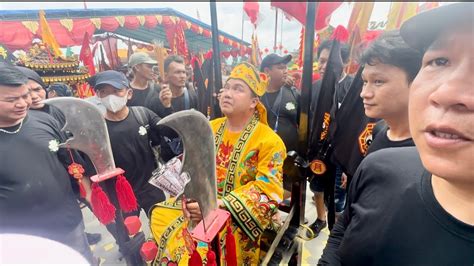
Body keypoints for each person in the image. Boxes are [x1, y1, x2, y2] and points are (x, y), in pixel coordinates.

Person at [319, 3, 473, 265]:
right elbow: (343, 230)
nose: (447, 93)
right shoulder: (381, 164)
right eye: (439, 61)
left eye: (379, 81)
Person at [150, 62, 286, 265]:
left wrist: (217, 205)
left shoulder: (269, 141)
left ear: (253, 102)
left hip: (237, 219)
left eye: (238, 89)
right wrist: (189, 200)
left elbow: (268, 191)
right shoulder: (209, 128)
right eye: (226, 88)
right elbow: (191, 168)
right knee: (160, 215)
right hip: (199, 206)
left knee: (204, 254)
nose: (227, 94)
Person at [0, 63, 94, 263]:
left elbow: (73, 165)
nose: (23, 103)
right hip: (22, 239)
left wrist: (93, 198)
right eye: (11, 99)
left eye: (25, 95)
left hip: (69, 223)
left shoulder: (45, 121)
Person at [89, 70, 165, 215]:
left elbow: (166, 132)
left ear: (129, 93)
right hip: (121, 194)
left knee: (163, 228)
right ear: (97, 96)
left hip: (151, 188)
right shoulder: (97, 128)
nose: (110, 96)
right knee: (132, 235)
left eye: (117, 91)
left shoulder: (143, 115)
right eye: (104, 92)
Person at [308, 40, 352, 236]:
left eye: (329, 61)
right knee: (316, 187)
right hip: (319, 151)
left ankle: (337, 228)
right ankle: (321, 219)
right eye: (321, 60)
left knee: (337, 197)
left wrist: (349, 165)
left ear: (345, 62)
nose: (324, 65)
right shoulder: (315, 87)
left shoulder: (354, 87)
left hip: (342, 154)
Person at [360, 30, 421, 155]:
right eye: (365, 81)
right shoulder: (378, 129)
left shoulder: (426, 151)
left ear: (417, 81)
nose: (365, 93)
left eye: (378, 81)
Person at [260, 53, 300, 201]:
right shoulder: (256, 94)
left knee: (287, 189)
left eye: (286, 67)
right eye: (280, 67)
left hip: (289, 157)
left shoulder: (293, 93)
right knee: (264, 189)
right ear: (267, 71)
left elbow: (303, 123)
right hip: (263, 156)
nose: (286, 70)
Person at [154, 55, 199, 162]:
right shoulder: (156, 101)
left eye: (184, 72)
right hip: (168, 158)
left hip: (189, 153)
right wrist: (167, 107)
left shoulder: (192, 96)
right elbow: (158, 132)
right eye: (177, 72)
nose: (183, 76)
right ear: (166, 76)